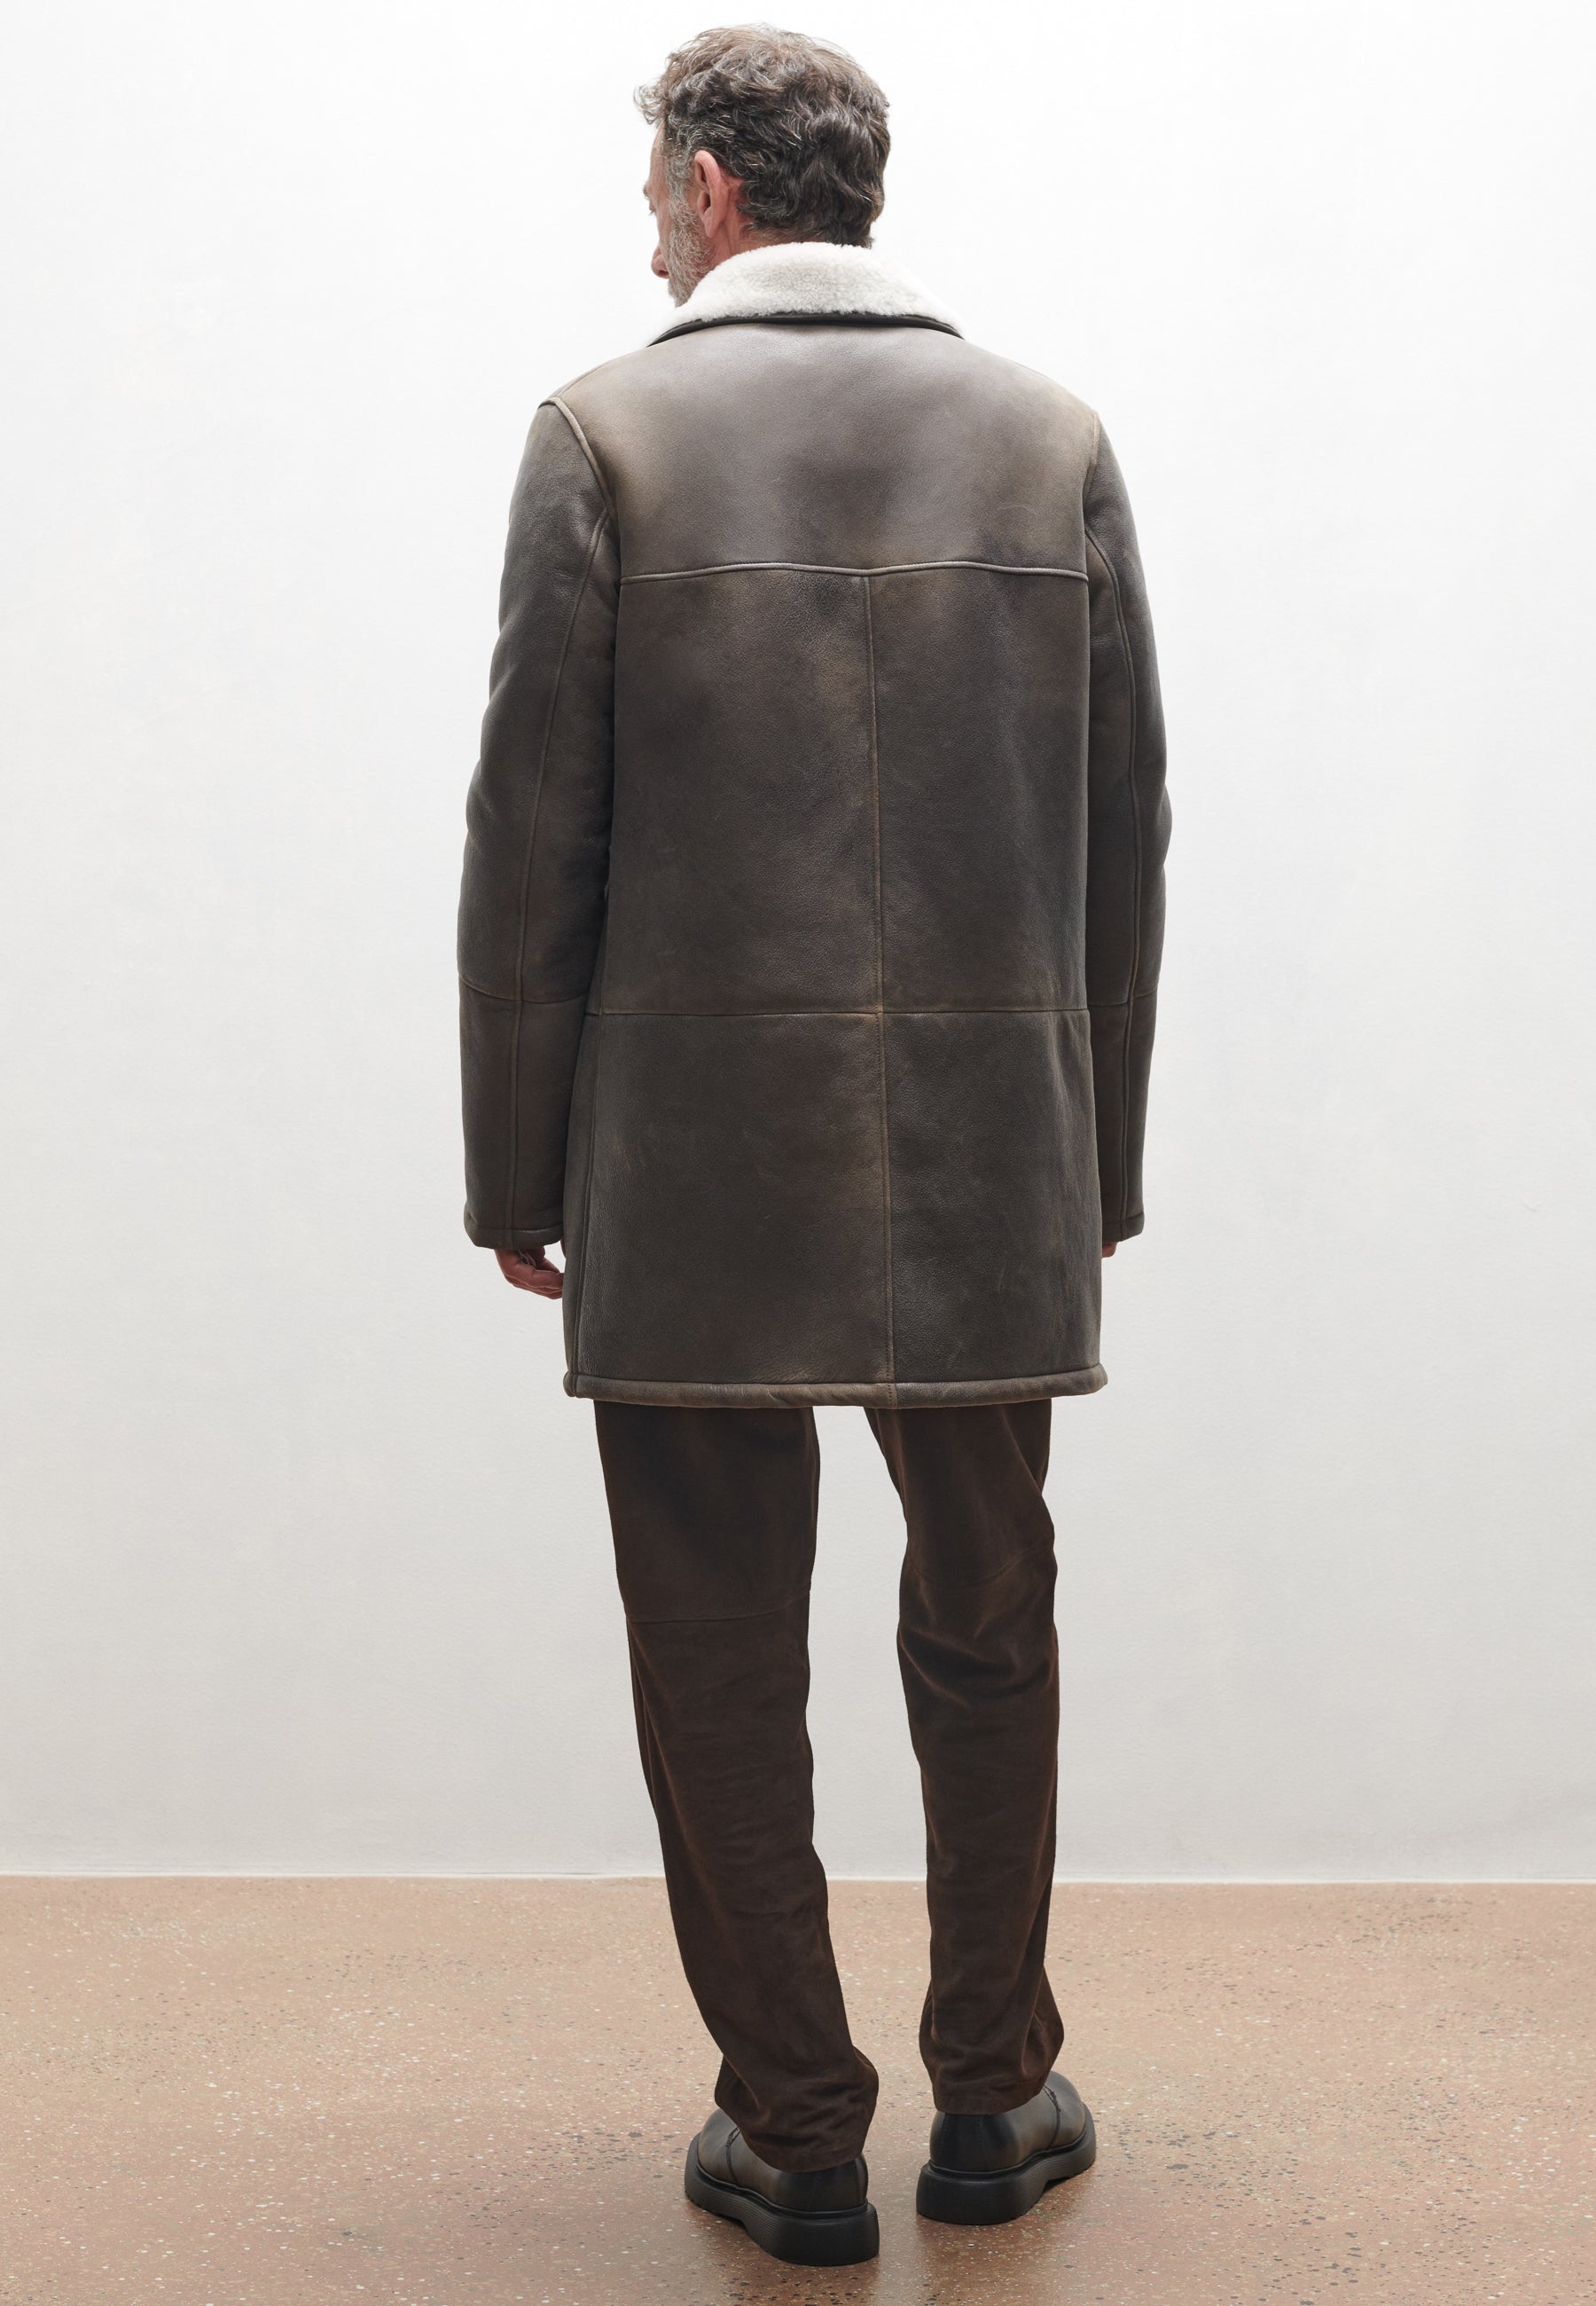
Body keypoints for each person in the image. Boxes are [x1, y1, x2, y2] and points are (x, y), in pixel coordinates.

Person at [458, 24, 1169, 2270]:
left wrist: (516, 1162)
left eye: (650, 194)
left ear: (709, 187)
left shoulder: (606, 434)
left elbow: (535, 836)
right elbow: (1124, 831)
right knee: (990, 1613)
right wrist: (1090, 1158)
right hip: (986, 1149)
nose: (645, 233)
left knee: (711, 1642)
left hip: (693, 1154)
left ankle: (791, 2131)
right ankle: (996, 2091)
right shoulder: (1048, 436)